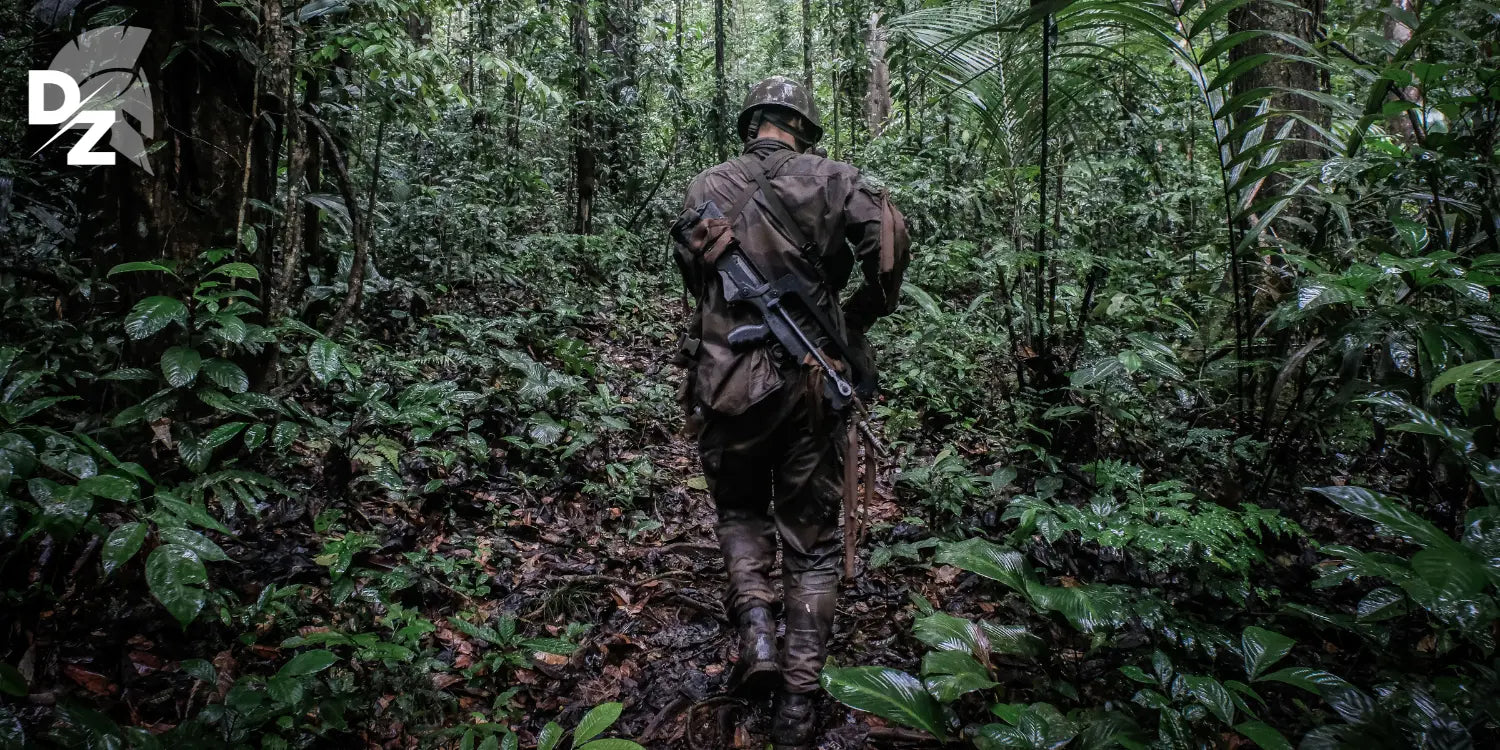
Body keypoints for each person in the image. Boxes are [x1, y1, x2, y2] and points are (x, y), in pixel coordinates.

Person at [669, 75, 910, 749]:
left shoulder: (704, 187)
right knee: (812, 541)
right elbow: (889, 250)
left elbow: (697, 286)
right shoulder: (838, 180)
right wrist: (852, 319)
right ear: (801, 126)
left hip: (725, 385)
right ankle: (799, 702)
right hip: (813, 383)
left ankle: (760, 637)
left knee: (740, 512)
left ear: (752, 125)